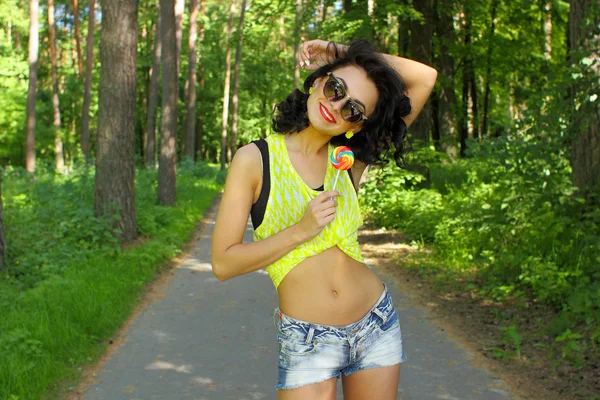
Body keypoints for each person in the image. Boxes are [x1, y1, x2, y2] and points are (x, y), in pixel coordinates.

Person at [211, 39, 437, 399]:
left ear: (356, 126)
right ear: (316, 82)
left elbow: (424, 78)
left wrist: (339, 51)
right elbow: (223, 263)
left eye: (353, 109)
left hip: (374, 323)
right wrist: (301, 231)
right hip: (307, 338)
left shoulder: (350, 161)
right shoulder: (255, 159)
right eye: (335, 88)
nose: (337, 105)